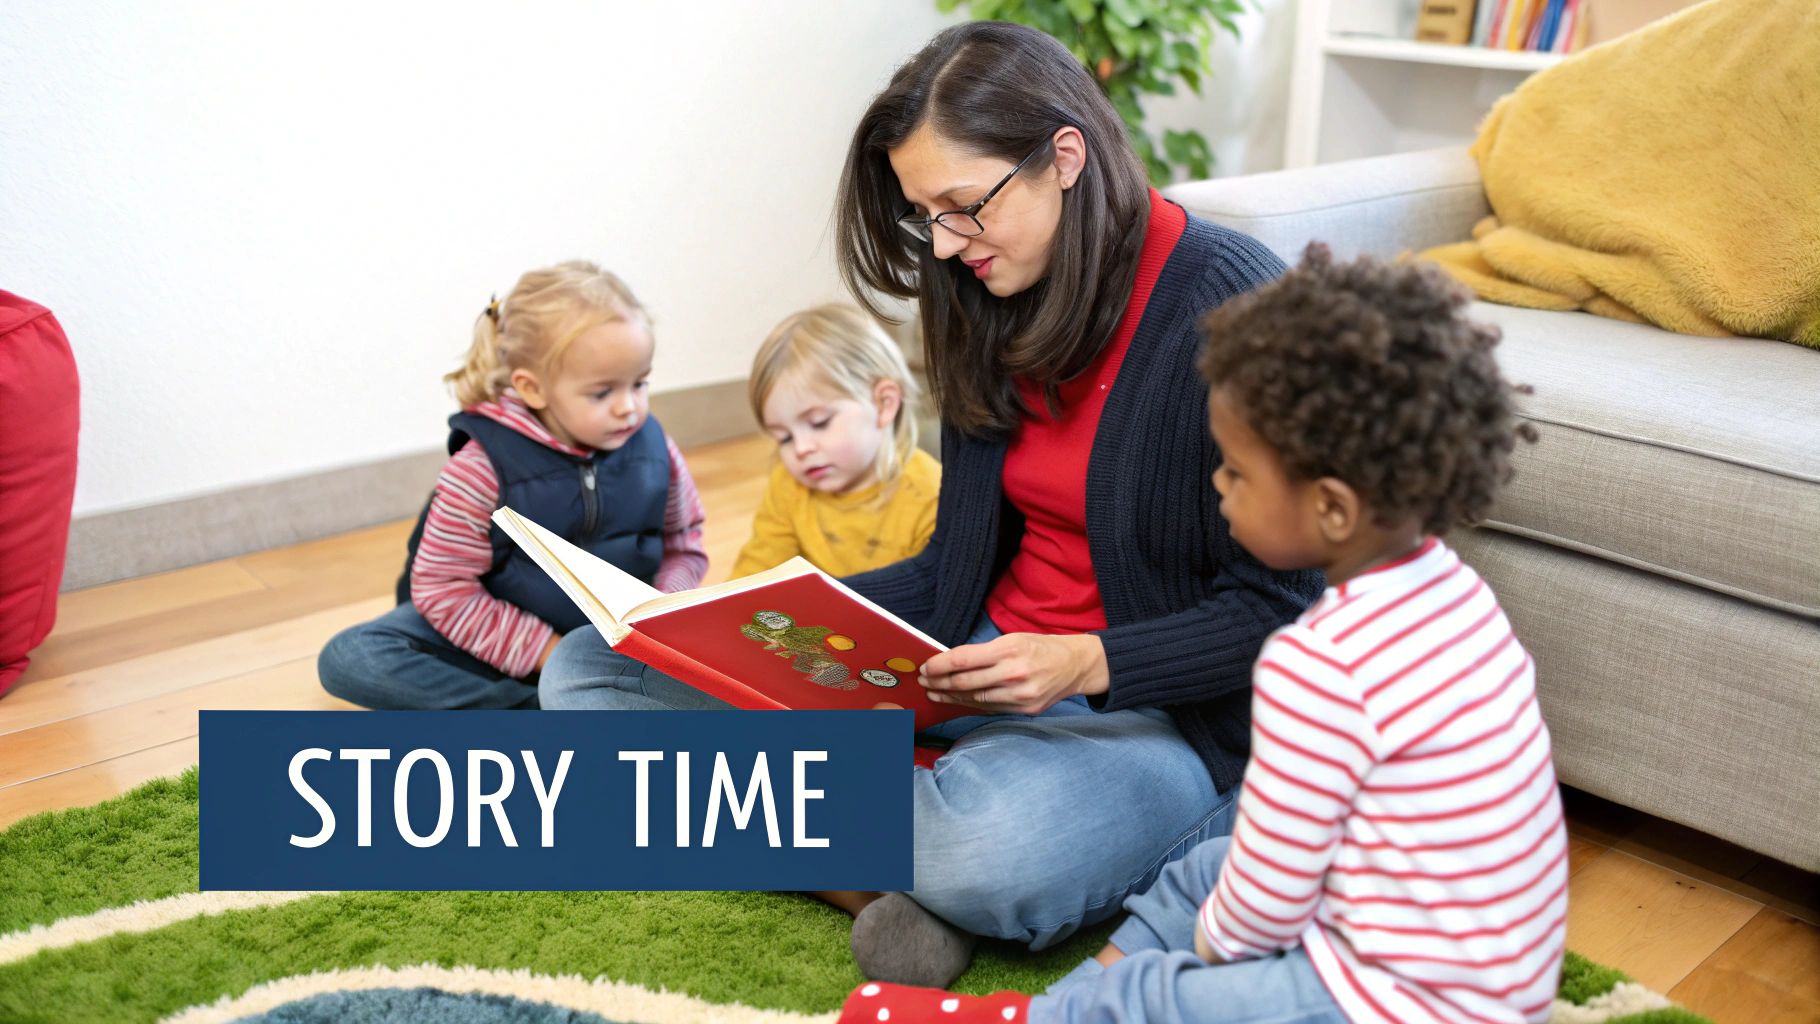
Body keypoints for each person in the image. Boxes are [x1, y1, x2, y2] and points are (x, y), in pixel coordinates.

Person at [540, 22, 1321, 986]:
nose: (946, 245)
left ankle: (872, 843)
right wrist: (753, 620)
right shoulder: (982, 290)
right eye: (927, 216)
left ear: (1064, 157)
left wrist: (1087, 658)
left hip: (1149, 715)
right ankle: (877, 888)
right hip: (961, 667)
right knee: (589, 670)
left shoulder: (1233, 302)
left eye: (963, 206)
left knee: (996, 850)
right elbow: (956, 565)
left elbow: (1287, 611)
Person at [838, 246, 1563, 1024]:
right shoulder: (1463, 602)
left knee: (1160, 998)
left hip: (1393, 1002)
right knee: (1203, 871)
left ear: (1333, 509)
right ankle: (1055, 995)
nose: (1216, 482)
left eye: (1238, 473)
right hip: (1500, 974)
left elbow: (1266, 908)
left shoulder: (1317, 664)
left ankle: (1043, 1016)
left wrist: (1197, 961)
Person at [317, 261, 706, 709]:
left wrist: (664, 610)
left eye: (639, 384)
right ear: (533, 388)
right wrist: (545, 652)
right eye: (602, 393)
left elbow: (685, 541)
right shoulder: (480, 467)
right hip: (496, 634)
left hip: (605, 645)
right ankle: (541, 707)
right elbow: (442, 588)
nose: (629, 408)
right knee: (350, 656)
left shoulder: (655, 446)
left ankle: (565, 699)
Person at [730, 303, 940, 579]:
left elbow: (935, 597)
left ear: (884, 403)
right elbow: (757, 570)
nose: (801, 449)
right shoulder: (789, 486)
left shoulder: (931, 495)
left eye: (819, 423)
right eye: (784, 438)